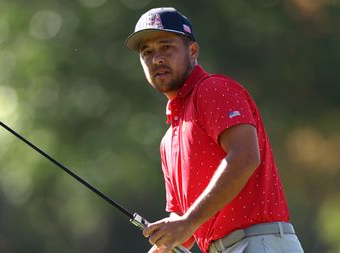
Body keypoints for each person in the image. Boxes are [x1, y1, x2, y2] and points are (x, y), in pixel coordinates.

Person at [125, 7, 304, 253]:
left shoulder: (213, 90)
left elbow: (244, 157)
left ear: (193, 51)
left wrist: (187, 223)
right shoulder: (168, 140)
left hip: (257, 243)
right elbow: (182, 222)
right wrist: (166, 242)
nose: (156, 59)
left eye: (166, 47)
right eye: (147, 52)